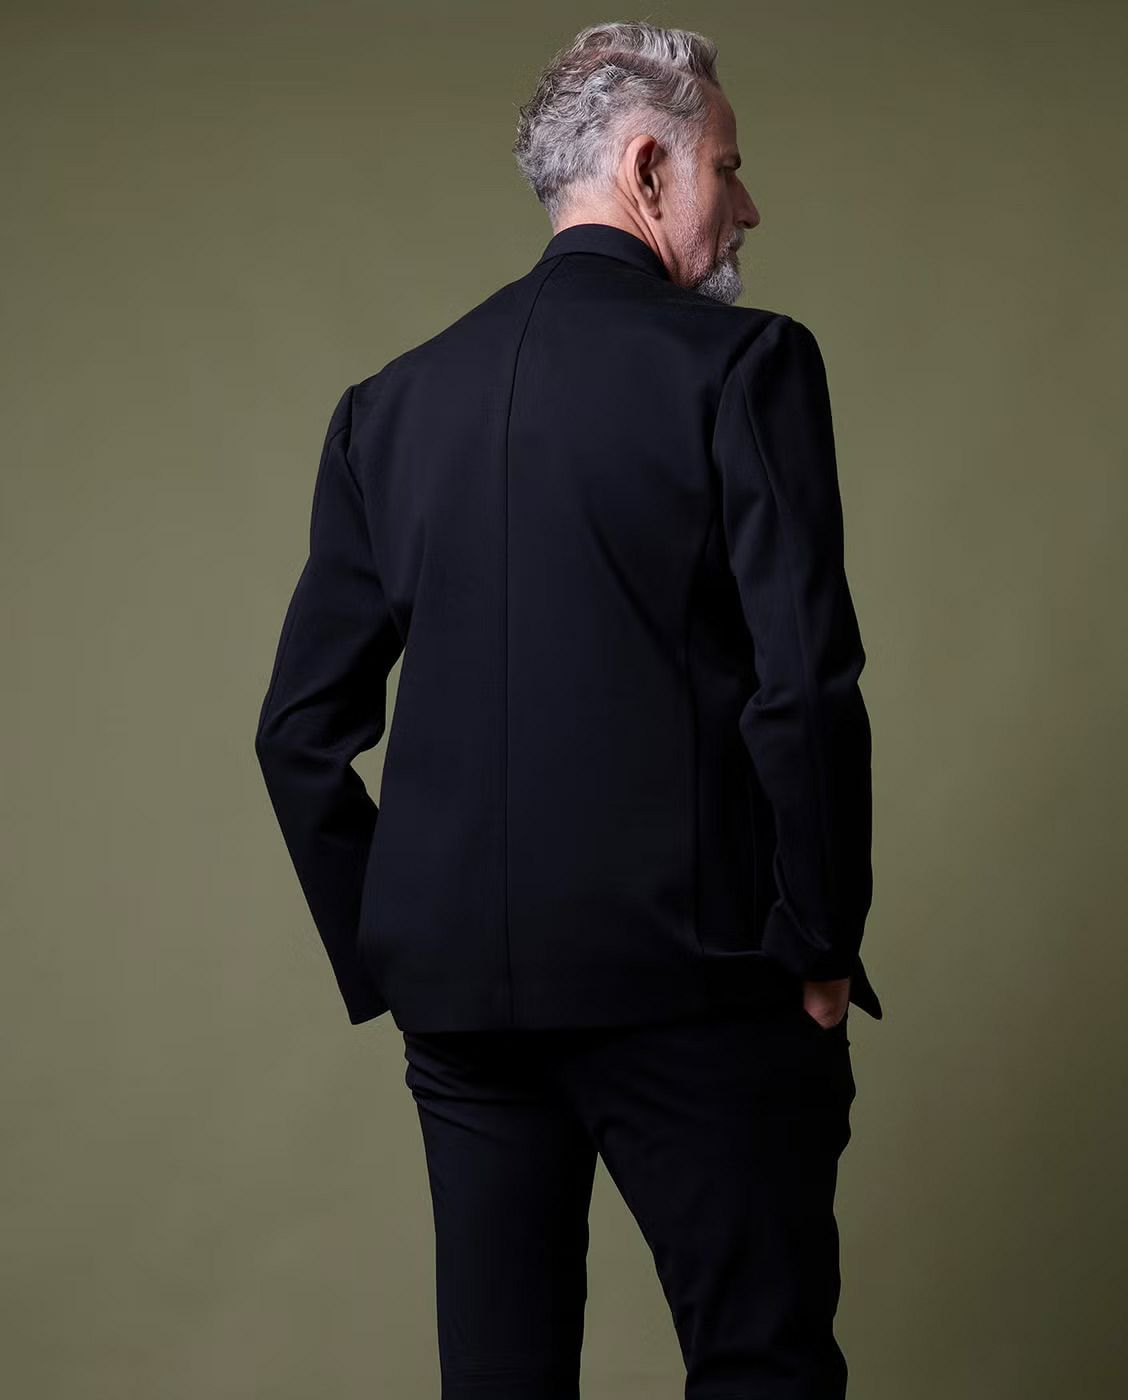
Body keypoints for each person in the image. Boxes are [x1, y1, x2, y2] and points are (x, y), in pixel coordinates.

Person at [255, 19, 882, 1399]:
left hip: (464, 1008)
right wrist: (821, 943)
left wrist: (398, 950)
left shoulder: (387, 407)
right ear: (649, 168)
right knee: (762, 1367)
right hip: (702, 980)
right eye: (729, 165)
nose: (749, 206)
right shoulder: (748, 365)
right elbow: (803, 687)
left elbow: (296, 734)